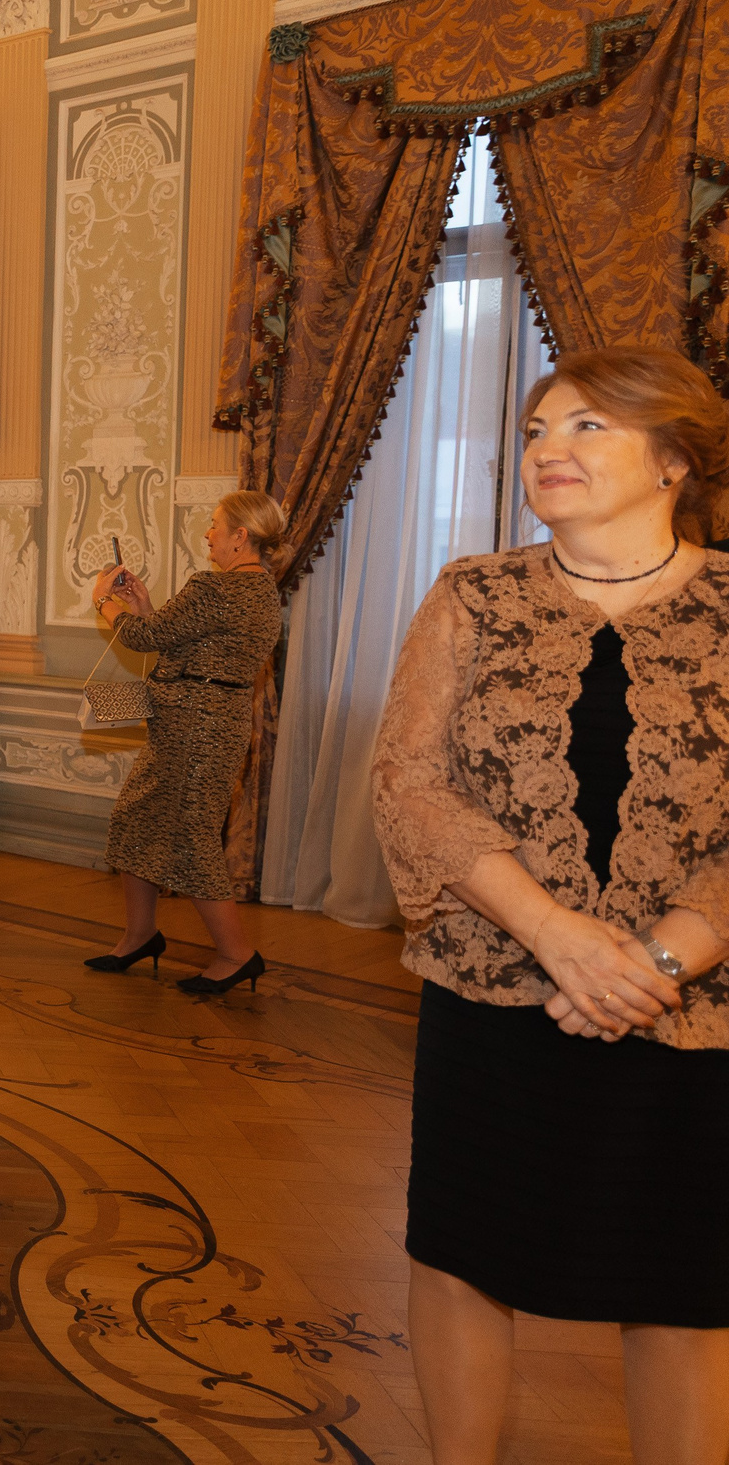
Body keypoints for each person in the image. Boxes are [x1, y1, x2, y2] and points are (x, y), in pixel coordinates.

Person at [372, 344, 729, 1465]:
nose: (546, 449)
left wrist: (654, 965)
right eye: (535, 429)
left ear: (673, 459)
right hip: (492, 989)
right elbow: (409, 781)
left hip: (690, 1008)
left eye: (585, 426)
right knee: (463, 1252)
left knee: (682, 1283)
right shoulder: (472, 594)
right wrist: (557, 936)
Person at [85, 491, 288, 993]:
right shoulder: (264, 590)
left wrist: (105, 601)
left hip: (195, 729)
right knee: (134, 818)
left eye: (215, 525)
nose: (208, 534)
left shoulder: (214, 587)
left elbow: (141, 639)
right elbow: (180, 638)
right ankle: (141, 935)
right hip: (210, 723)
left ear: (241, 536)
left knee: (191, 839)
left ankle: (237, 955)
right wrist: (142, 606)